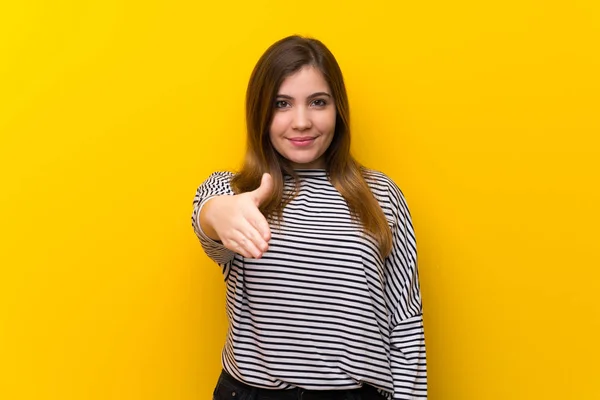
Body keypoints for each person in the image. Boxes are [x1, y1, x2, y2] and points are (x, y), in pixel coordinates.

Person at [191, 35, 427, 400]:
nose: (301, 121)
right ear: (260, 112)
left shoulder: (381, 194)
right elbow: (208, 219)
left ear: (338, 110)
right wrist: (219, 213)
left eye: (318, 102)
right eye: (282, 104)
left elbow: (406, 318)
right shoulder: (235, 191)